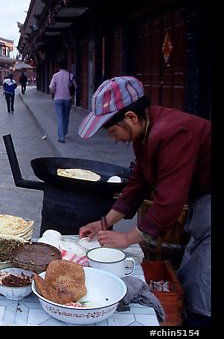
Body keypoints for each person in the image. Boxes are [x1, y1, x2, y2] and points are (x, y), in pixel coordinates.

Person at [77, 76, 211, 327]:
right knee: (193, 273)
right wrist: (104, 223)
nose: (113, 138)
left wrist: (127, 239)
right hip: (203, 204)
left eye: (112, 130)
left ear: (130, 117)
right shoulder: (146, 133)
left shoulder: (171, 132)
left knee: (205, 283)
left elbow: (169, 202)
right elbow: (139, 182)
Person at [49, 59, 76, 143]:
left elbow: (51, 87)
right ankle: (64, 132)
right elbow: (75, 86)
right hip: (68, 99)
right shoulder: (70, 75)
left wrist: (54, 92)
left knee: (60, 117)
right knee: (66, 117)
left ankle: (61, 137)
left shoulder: (55, 76)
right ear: (66, 66)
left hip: (58, 99)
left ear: (59, 66)